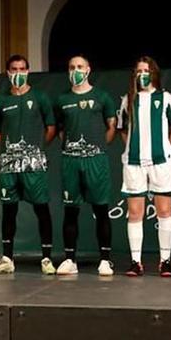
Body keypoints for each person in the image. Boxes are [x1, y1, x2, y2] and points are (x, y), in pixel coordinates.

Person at [0, 55, 56, 275]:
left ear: (28, 71)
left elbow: (51, 128)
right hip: (9, 166)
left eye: (22, 69)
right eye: (13, 69)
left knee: (41, 209)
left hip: (34, 165)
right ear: (7, 73)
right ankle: (7, 258)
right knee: (9, 210)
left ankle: (46, 258)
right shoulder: (1, 101)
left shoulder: (40, 97)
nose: (18, 73)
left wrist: (35, 149)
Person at [53, 55, 117, 275]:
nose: (76, 70)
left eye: (80, 67)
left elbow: (111, 126)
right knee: (70, 211)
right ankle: (70, 260)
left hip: (96, 160)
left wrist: (96, 147)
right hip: (71, 160)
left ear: (88, 69)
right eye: (72, 67)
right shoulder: (62, 99)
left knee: (101, 210)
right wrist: (73, 149)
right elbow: (60, 129)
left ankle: (105, 260)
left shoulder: (102, 97)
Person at [118, 57, 171, 277]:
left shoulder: (165, 98)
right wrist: (131, 148)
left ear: (154, 73)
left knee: (164, 211)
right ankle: (136, 261)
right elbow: (122, 129)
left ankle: (165, 261)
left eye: (146, 70)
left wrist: (166, 148)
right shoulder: (128, 100)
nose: (142, 74)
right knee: (135, 213)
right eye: (138, 71)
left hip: (161, 162)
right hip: (134, 163)